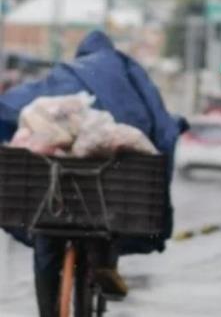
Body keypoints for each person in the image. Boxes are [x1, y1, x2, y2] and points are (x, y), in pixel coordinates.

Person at [0, 30, 186, 317]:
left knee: (46, 237)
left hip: (54, 193)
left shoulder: (66, 73)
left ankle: (48, 311)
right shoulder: (127, 72)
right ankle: (104, 266)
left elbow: (16, 105)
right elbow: (157, 117)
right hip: (104, 185)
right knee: (107, 224)